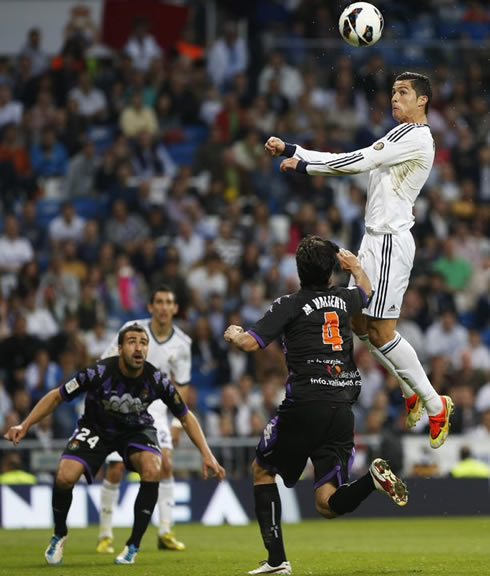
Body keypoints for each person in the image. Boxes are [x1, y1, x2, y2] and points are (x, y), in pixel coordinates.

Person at [264, 71, 453, 450]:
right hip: (374, 239)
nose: (394, 98)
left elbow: (355, 162)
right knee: (356, 322)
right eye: (393, 92)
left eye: (403, 93)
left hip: (388, 242)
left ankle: (434, 403)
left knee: (381, 332)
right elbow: (354, 159)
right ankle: (410, 391)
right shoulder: (402, 136)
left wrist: (301, 160)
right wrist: (294, 152)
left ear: (423, 101)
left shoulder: (413, 135)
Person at [224, 236, 408, 575]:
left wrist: (235, 333)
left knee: (263, 470)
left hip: (306, 403)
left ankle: (277, 560)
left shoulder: (289, 304)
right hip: (341, 408)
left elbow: (250, 344)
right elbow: (365, 291)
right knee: (326, 503)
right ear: (332, 271)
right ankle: (372, 479)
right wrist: (356, 267)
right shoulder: (345, 298)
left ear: (298, 271)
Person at [4, 324, 225, 566]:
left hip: (136, 430)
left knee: (154, 468)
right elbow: (57, 395)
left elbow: (185, 415)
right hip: (96, 429)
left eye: (143, 342)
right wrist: (24, 425)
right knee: (64, 477)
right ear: (119, 348)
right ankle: (59, 534)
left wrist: (206, 453)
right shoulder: (98, 372)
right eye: (132, 341)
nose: (138, 347)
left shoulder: (156, 378)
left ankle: (133, 545)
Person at [96, 286, 192, 554]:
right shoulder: (132, 330)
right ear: (150, 307)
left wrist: (176, 423)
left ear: (175, 309)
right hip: (122, 405)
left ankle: (165, 531)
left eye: (169, 302)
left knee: (166, 465)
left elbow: (182, 385)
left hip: (157, 408)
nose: (163, 307)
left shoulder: (183, 343)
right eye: (159, 302)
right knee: (115, 469)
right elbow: (104, 364)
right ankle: (105, 534)